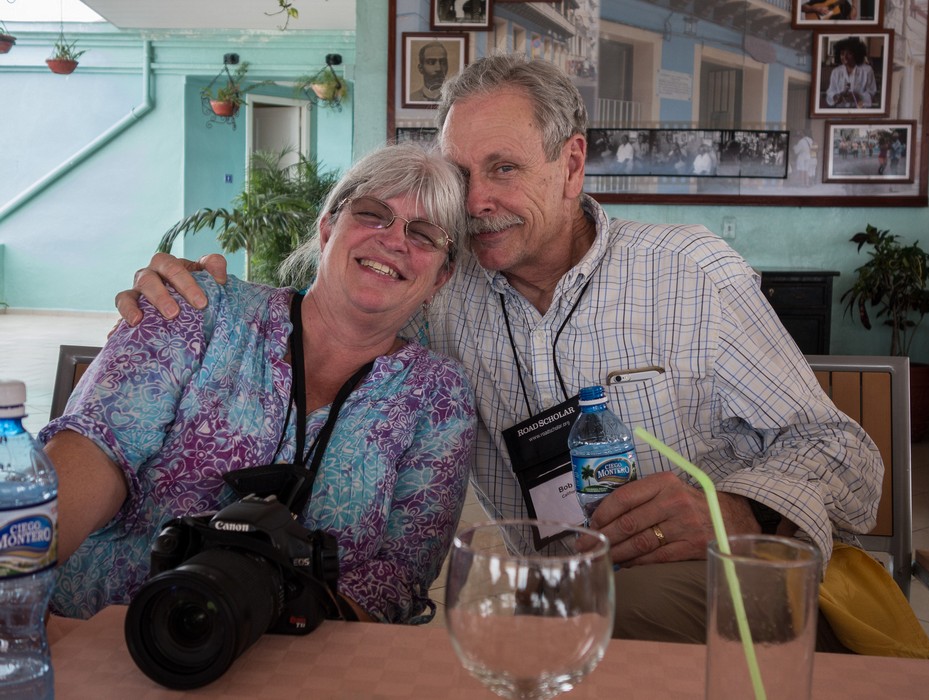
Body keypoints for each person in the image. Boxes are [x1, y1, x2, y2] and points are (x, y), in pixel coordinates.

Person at [117, 55, 883, 650]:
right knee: (494, 626)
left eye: (504, 168)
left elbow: (846, 455)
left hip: (706, 575)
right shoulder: (446, 291)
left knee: (530, 630)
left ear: (573, 163)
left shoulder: (687, 273)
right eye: (460, 173)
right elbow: (342, 303)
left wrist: (733, 507)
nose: (476, 199)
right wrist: (204, 299)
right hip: (547, 586)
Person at [42, 144, 477, 624]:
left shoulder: (438, 395)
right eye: (373, 214)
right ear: (328, 227)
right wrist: (13, 581)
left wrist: (269, 624)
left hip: (304, 659)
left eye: (424, 234)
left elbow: (398, 574)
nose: (394, 240)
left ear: (442, 276)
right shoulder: (198, 307)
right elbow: (99, 446)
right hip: (106, 631)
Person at [825, 36, 877, 109]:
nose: (845, 57)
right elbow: (830, 92)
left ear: (856, 54)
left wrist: (857, 96)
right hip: (840, 113)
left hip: (860, 112)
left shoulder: (867, 70)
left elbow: (872, 93)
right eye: (842, 54)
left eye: (849, 54)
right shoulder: (836, 72)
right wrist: (835, 97)